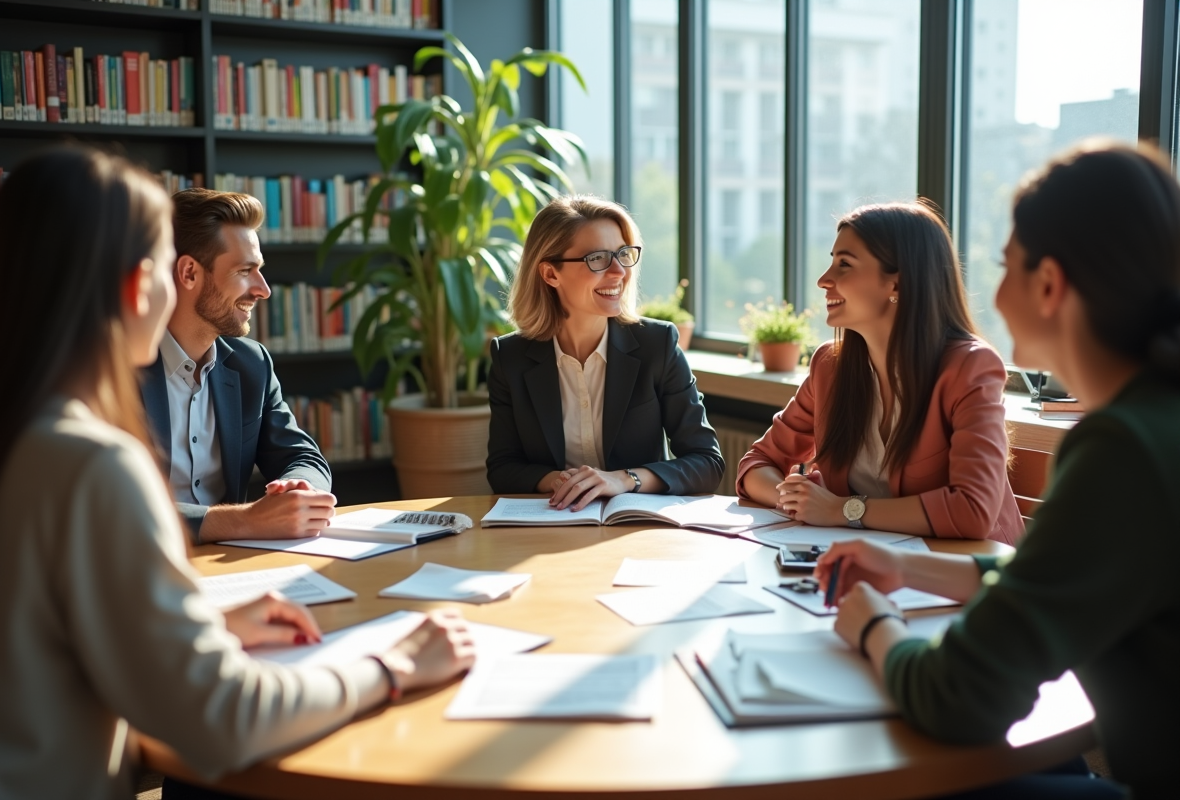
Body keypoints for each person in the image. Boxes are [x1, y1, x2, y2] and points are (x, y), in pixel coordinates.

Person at [0, 148, 475, 800]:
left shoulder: (14, 435)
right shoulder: (94, 465)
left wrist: (199, 631)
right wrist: (394, 664)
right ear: (142, 284)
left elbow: (51, 639)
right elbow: (221, 719)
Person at [815, 142, 1180, 799]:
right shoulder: (1158, 420)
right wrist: (908, 568)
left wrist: (871, 623)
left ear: (1050, 284)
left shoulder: (1122, 448)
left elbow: (954, 696)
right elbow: (1051, 579)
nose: (995, 292)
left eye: (1005, 266)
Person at [737, 201, 1022, 545]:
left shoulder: (970, 367)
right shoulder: (830, 366)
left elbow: (973, 511)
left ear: (897, 284)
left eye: (844, 264)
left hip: (961, 567)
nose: (824, 280)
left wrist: (841, 510)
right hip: (867, 560)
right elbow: (757, 463)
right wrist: (796, 500)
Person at [487, 195, 724, 510]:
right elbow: (502, 468)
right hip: (554, 518)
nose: (619, 272)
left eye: (623, 254)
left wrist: (625, 479)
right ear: (550, 274)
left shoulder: (658, 344)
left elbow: (707, 462)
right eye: (597, 258)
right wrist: (565, 482)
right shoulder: (510, 357)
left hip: (635, 523)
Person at [141, 187, 336, 545]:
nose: (263, 289)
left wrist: (297, 488)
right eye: (245, 271)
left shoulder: (251, 363)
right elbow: (114, 507)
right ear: (189, 273)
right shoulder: (117, 369)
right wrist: (242, 521)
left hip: (230, 562)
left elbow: (302, 456)